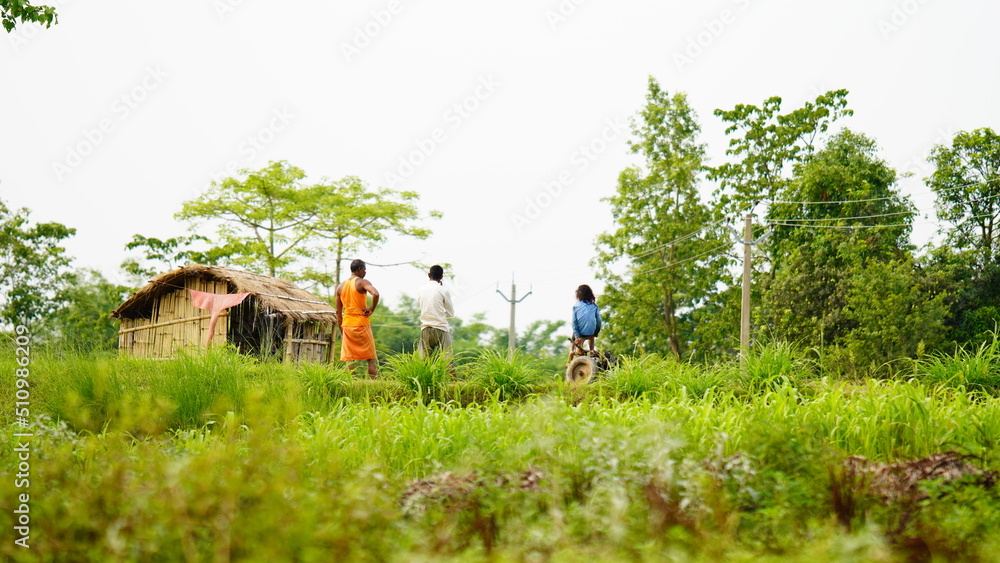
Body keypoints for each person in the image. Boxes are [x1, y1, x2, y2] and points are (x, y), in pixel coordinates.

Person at [336, 259, 380, 377]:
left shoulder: (340, 287)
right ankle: (375, 381)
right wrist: (371, 308)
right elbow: (375, 293)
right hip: (361, 323)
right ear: (359, 269)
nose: (365, 272)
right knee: (370, 357)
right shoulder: (361, 282)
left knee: (349, 357)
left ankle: (352, 383)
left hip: (347, 324)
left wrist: (341, 328)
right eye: (364, 269)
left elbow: (338, 312)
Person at [416, 264, 455, 357]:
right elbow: (450, 313)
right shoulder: (443, 290)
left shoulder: (421, 290)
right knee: (448, 362)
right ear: (441, 277)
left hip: (426, 329)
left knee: (424, 362)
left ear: (429, 275)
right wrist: (439, 314)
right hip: (441, 329)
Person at [570, 284, 602, 358]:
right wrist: (596, 332)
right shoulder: (594, 306)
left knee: (573, 340)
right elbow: (599, 321)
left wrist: (577, 336)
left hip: (580, 332)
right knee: (591, 337)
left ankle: (571, 353)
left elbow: (574, 322)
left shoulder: (576, 306)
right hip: (591, 331)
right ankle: (592, 351)